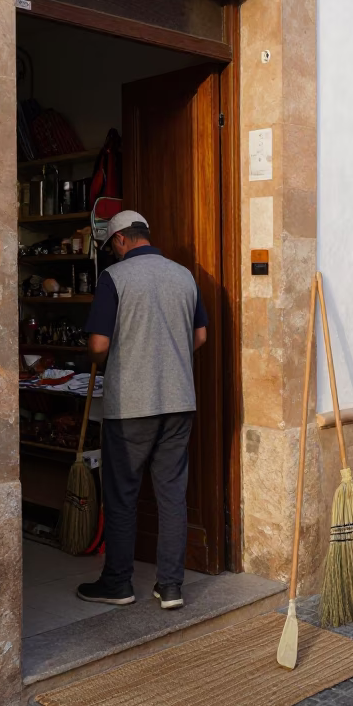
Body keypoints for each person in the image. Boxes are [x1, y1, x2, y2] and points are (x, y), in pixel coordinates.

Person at [77, 210, 207, 610]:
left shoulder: (114, 279)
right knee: (171, 494)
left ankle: (118, 582)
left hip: (131, 405)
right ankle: (170, 587)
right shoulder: (184, 275)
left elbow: (98, 346)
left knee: (122, 495)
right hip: (179, 401)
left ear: (119, 240)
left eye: (112, 247)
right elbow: (199, 336)